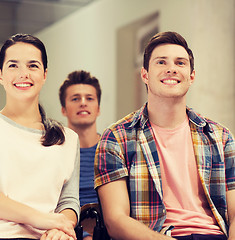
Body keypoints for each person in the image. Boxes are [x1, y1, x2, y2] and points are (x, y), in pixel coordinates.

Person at [94, 31, 235, 240]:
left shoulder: (219, 136)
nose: (171, 69)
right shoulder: (117, 137)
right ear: (145, 75)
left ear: (191, 76)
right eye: (161, 62)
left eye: (180, 63)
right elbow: (115, 220)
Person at [0, 33, 80, 240]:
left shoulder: (68, 139)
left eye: (33, 65)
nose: (23, 73)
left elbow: (69, 203)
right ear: (0, 75)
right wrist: (42, 219)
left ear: (45, 74)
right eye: (13, 65)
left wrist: (60, 228)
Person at [59, 70, 101, 239]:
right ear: (63, 109)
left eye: (89, 98)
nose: (83, 103)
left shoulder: (113, 149)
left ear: (98, 108)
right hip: (67, 231)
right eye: (75, 99)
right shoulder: (54, 151)